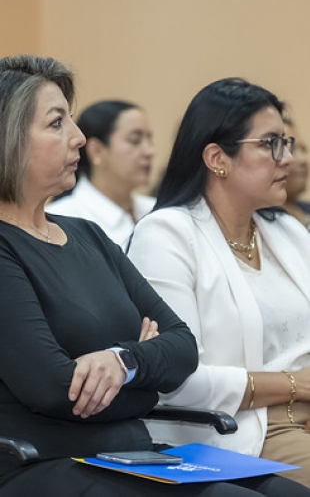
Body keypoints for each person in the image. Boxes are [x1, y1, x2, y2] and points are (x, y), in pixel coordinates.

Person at [0, 58, 303, 497]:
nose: (79, 136)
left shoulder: (88, 235)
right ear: (9, 140)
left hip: (134, 450)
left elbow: (182, 349)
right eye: (56, 122)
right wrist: (144, 372)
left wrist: (122, 361)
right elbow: (55, 389)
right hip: (43, 460)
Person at [128, 77, 310, 488]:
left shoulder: (287, 232)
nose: (288, 159)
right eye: (270, 144)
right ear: (216, 157)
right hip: (246, 431)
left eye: (287, 143)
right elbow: (180, 380)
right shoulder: (167, 235)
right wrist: (295, 385)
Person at [46, 99, 155, 250]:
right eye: (135, 140)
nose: (149, 152)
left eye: (149, 139)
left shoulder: (157, 210)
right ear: (96, 150)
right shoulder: (60, 220)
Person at [281, 116, 310, 230]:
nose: (303, 160)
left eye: (304, 150)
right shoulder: (256, 222)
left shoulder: (306, 210)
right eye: (291, 149)